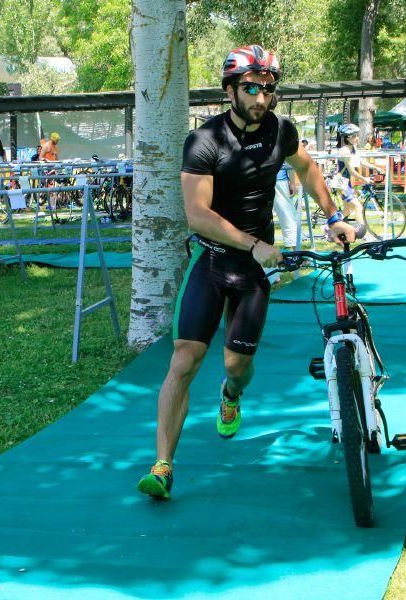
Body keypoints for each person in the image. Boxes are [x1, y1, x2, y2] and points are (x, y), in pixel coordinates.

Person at [136, 45, 355, 500]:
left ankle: (231, 394)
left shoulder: (280, 131)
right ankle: (162, 467)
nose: (261, 97)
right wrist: (254, 244)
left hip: (253, 274)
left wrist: (333, 216)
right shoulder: (204, 141)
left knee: (237, 366)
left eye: (268, 88)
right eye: (251, 87)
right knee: (184, 358)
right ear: (230, 90)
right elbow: (196, 215)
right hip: (213, 261)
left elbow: (308, 170)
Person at [332, 123, 380, 239]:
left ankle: (329, 226)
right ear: (347, 138)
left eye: (356, 135)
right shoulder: (344, 151)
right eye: (354, 136)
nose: (356, 138)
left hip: (345, 182)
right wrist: (365, 179)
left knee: (347, 210)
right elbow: (352, 171)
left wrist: (375, 167)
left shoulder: (353, 148)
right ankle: (363, 233)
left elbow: (361, 161)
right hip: (341, 182)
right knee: (358, 207)